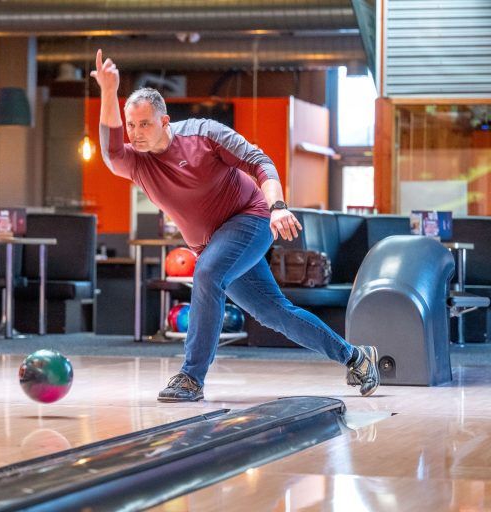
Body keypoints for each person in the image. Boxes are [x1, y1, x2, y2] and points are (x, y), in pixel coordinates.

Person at [91, 49, 380, 402]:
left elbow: (260, 162)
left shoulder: (204, 134)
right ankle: (356, 357)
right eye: (131, 125)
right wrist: (108, 91)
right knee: (276, 313)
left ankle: (191, 377)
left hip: (250, 219)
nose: (135, 133)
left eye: (145, 124)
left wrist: (277, 207)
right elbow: (110, 151)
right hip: (212, 243)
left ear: (165, 122)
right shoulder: (136, 162)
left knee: (208, 273)